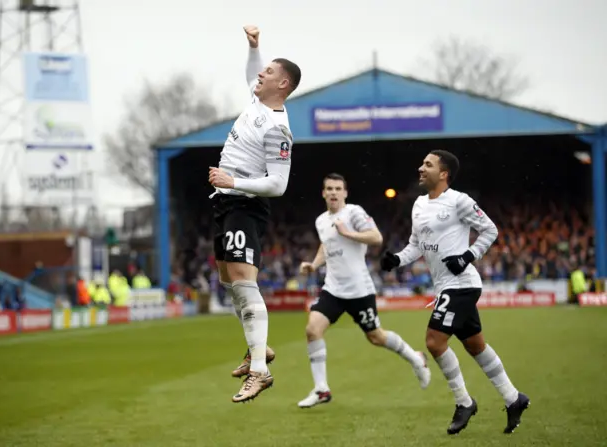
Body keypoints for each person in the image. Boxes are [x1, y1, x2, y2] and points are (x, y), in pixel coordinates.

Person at [380, 150, 530, 435]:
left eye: (428, 164)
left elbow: (490, 230)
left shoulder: (460, 201)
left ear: (444, 173)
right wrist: (397, 259)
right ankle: (514, 398)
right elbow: (416, 244)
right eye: (422, 163)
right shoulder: (419, 204)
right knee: (476, 346)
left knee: (434, 342)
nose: (421, 168)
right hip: (446, 287)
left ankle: (464, 402)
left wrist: (467, 256)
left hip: (461, 284)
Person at [208, 25, 301, 403]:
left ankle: (260, 369)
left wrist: (235, 182)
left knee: (245, 284)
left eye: (269, 71)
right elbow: (252, 73)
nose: (261, 73)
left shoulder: (279, 129)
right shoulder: (257, 103)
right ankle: (258, 348)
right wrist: (255, 47)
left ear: (283, 85)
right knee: (227, 279)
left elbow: (278, 185)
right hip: (225, 202)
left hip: (244, 204)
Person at [297, 173, 431, 408]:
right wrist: (314, 264)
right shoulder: (321, 221)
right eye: (329, 188)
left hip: (359, 289)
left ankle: (416, 358)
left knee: (376, 337)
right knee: (312, 329)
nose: (333, 193)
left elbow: (376, 237)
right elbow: (325, 245)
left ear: (345, 193)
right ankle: (321, 390)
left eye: (338, 188)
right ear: (323, 193)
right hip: (333, 289)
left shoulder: (354, 213)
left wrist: (348, 233)